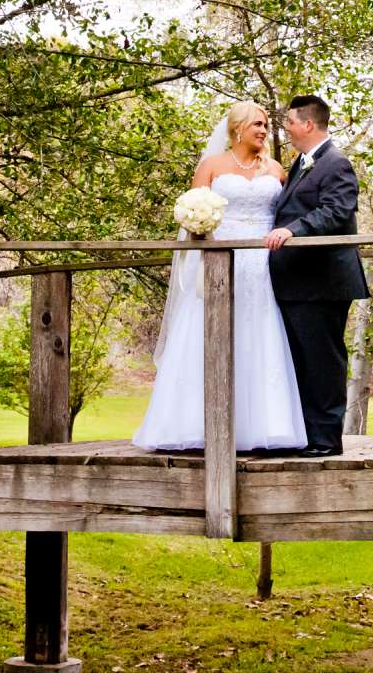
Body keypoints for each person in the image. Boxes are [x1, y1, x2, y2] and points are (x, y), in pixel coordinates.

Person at [132, 100, 309, 452]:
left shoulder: (275, 170)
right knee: (207, 332)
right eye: (257, 124)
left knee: (259, 335)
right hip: (219, 263)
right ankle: (192, 424)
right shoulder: (212, 166)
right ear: (238, 128)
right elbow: (191, 218)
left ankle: (262, 428)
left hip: (261, 266)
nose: (263, 130)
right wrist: (201, 231)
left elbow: (286, 215)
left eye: (264, 125)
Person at [264, 94, 369, 457]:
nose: (287, 129)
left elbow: (337, 211)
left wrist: (293, 230)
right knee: (301, 361)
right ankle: (306, 435)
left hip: (323, 282)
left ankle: (326, 440)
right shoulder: (303, 163)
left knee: (323, 360)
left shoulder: (336, 163)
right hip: (297, 281)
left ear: (308, 124)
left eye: (290, 123)